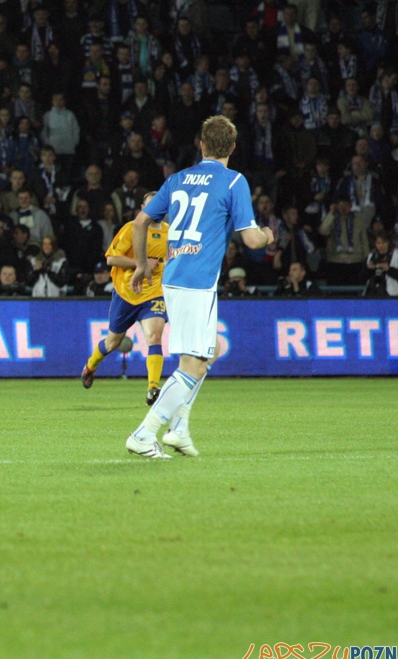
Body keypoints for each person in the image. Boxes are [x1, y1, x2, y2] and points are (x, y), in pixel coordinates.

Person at [125, 115, 274, 459]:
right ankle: (144, 434)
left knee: (212, 349)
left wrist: (144, 263)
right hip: (197, 281)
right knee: (194, 363)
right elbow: (252, 239)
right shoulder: (233, 181)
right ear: (233, 148)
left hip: (175, 276)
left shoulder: (177, 179)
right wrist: (268, 234)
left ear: (201, 144)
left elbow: (142, 221)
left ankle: (179, 428)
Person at [81, 191, 168, 405]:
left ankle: (153, 388)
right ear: (142, 208)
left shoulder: (171, 232)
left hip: (154, 293)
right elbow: (111, 259)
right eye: (151, 206)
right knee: (112, 342)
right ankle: (91, 365)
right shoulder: (132, 229)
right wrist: (142, 264)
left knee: (155, 337)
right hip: (126, 293)